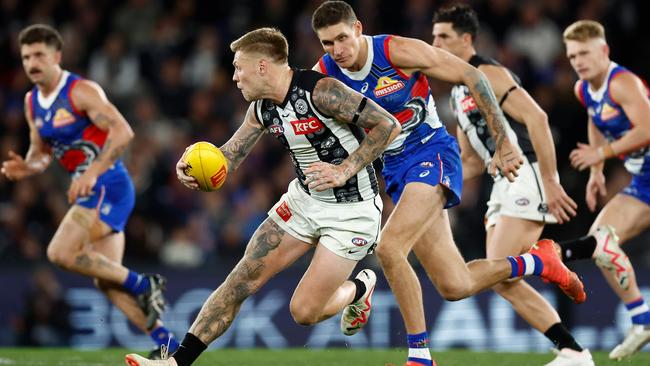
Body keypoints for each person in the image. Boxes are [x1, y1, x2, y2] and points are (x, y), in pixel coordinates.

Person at [310, 2, 585, 365]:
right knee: (455, 284)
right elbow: (293, 103)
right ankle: (537, 262)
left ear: (358, 28)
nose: (337, 50)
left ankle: (420, 356)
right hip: (396, 171)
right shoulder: (325, 74)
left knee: (390, 248)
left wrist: (502, 140)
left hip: (432, 154)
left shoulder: (397, 51)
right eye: (327, 43)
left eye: (342, 38)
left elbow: (475, 77)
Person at [124, 27, 401, 366]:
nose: (235, 76)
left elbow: (388, 125)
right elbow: (230, 156)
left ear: (262, 66)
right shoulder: (261, 109)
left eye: (239, 67)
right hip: (304, 202)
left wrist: (344, 169)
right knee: (240, 280)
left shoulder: (322, 91)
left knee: (304, 312)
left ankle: (359, 288)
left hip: (352, 211)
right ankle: (176, 363)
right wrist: (194, 162)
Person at [432, 5, 594, 366]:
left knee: (494, 271)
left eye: (443, 36)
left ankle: (550, 266)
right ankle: (572, 350)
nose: (435, 43)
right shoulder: (460, 90)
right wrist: (434, 187)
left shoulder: (487, 72)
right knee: (502, 277)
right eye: (433, 36)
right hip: (502, 181)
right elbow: (470, 159)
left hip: (527, 171)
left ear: (466, 39)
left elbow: (537, 117)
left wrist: (550, 181)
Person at [1, 24, 174, 358]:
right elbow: (40, 154)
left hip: (108, 183)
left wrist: (92, 171)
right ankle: (169, 348)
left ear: (57, 56)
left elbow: (123, 132)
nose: (32, 63)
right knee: (107, 281)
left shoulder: (80, 91)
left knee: (59, 253)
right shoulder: (32, 102)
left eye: (39, 55)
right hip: (89, 190)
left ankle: (145, 284)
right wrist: (28, 166)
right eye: (26, 57)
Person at [557, 19, 650, 360]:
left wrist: (602, 154)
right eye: (572, 56)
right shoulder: (584, 88)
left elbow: (647, 128)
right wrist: (597, 170)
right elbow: (595, 122)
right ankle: (642, 322)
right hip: (644, 182)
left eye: (584, 53)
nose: (578, 61)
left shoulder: (622, 82)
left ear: (604, 51)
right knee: (601, 243)